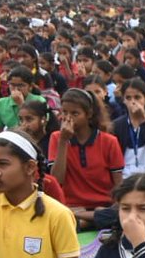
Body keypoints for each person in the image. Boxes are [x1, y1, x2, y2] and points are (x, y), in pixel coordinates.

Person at [49, 88, 124, 228]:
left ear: (88, 114)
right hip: (70, 205)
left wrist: (114, 207)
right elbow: (57, 179)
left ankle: (82, 220)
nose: (68, 118)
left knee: (117, 214)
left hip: (102, 207)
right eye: (64, 112)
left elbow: (118, 184)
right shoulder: (57, 138)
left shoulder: (109, 141)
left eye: (75, 113)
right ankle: (86, 221)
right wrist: (63, 142)